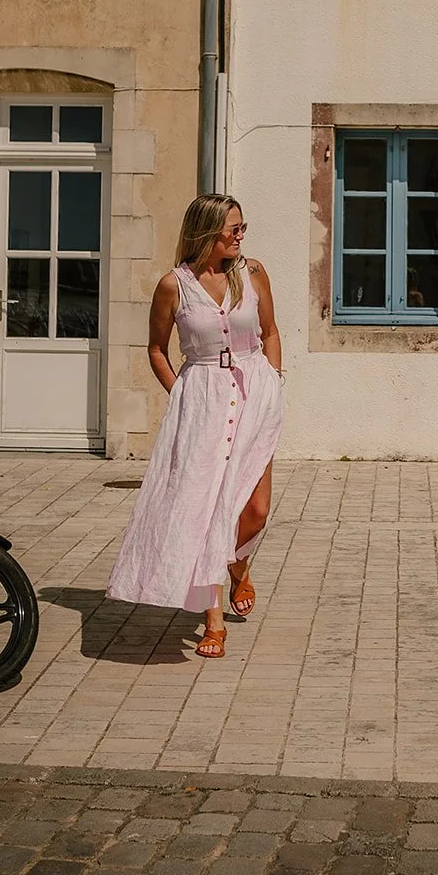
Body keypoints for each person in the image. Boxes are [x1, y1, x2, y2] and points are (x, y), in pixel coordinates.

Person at [106, 194, 284, 658]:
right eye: (233, 229)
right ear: (207, 232)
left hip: (253, 395)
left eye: (243, 227)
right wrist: (181, 393)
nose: (241, 235)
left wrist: (275, 383)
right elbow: (156, 349)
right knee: (206, 512)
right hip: (202, 401)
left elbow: (270, 332)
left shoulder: (254, 273)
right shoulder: (174, 286)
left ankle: (238, 564)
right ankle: (212, 619)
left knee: (256, 509)